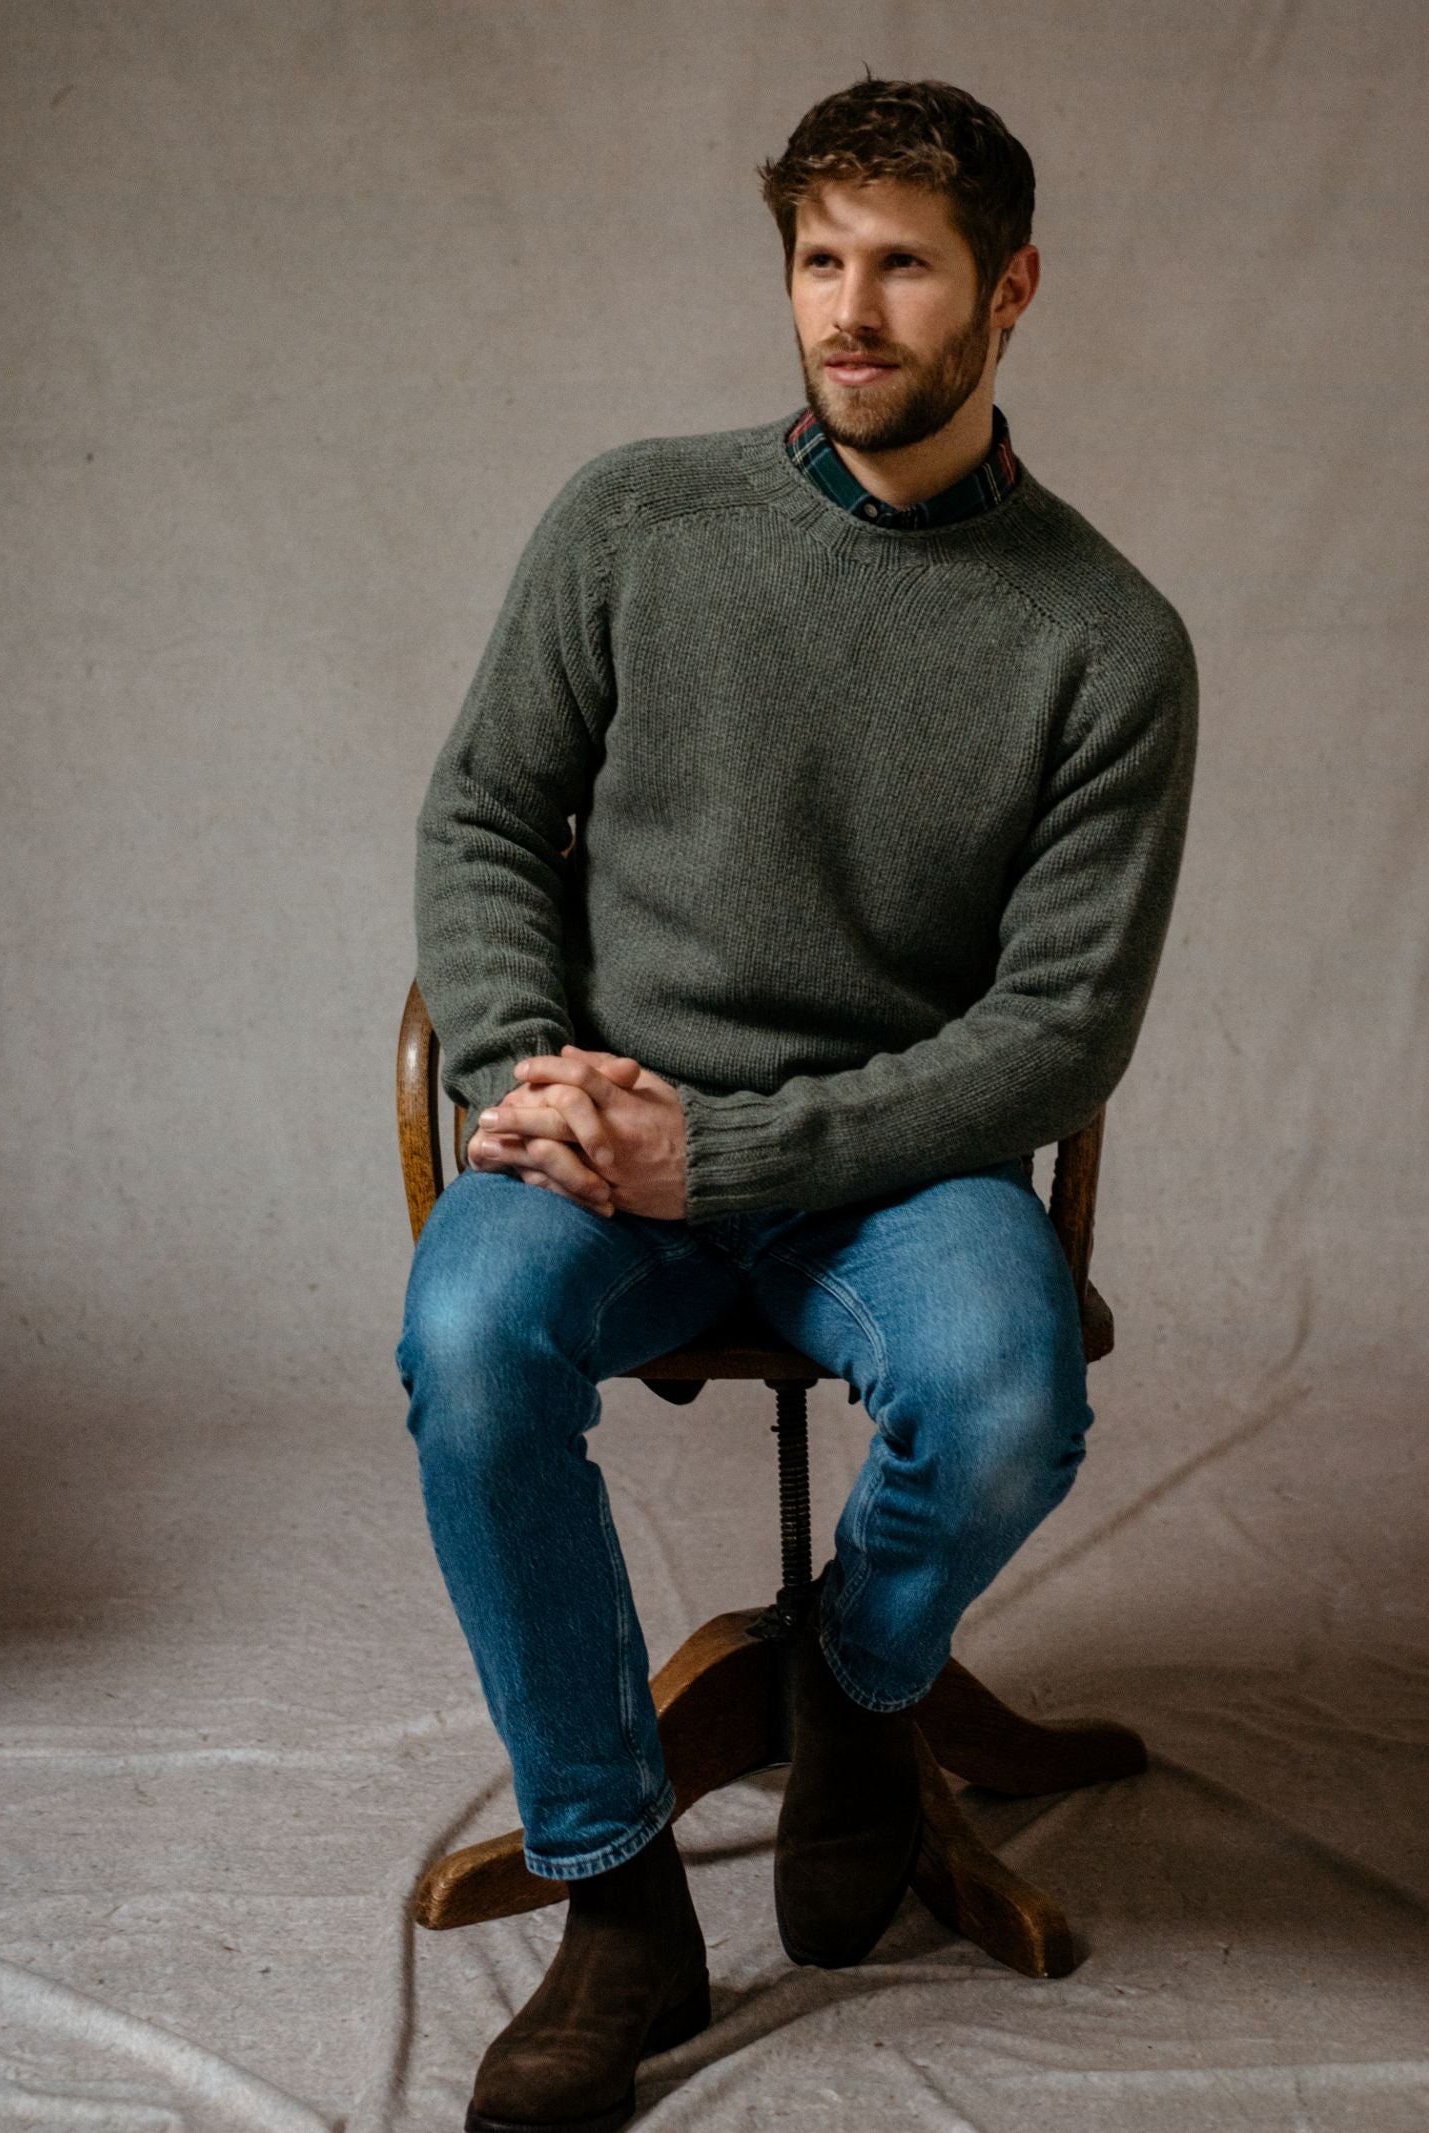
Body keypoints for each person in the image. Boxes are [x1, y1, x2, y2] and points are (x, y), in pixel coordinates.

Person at [395, 71, 1197, 2133]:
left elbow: (1057, 1028)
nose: (848, 309)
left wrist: (732, 1152)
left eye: (902, 265)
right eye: (818, 259)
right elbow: (484, 814)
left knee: (1005, 1384)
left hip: (895, 1161)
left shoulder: (1108, 641)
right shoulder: (633, 519)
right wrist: (525, 1069)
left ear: (1008, 291)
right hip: (603, 1133)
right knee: (468, 1340)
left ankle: (854, 1676)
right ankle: (614, 1893)